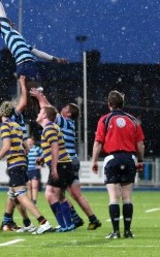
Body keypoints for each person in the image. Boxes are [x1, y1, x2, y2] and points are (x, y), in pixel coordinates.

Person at [31, 88, 102, 230]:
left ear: (68, 113)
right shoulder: (68, 125)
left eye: (65, 108)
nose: (62, 109)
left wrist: (40, 97)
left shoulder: (64, 122)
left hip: (65, 161)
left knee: (54, 193)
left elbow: (49, 111)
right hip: (71, 160)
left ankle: (69, 223)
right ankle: (91, 219)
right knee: (75, 194)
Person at [0, 0, 67, 87]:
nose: (9, 21)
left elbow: (38, 53)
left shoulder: (19, 39)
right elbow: (0, 9)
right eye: (7, 21)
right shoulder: (6, 31)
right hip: (24, 64)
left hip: (29, 64)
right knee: (34, 90)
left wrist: (55, 59)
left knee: (33, 91)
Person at [0, 101, 53, 235]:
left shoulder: (4, 126)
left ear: (1, 112)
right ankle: (21, 223)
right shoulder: (16, 125)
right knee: (12, 194)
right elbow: (26, 145)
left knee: (20, 195)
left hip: (15, 163)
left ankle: (43, 222)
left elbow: (6, 147)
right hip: (22, 162)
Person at [91, 90, 145, 239]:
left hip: (112, 159)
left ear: (109, 104)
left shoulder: (105, 119)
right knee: (127, 197)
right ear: (122, 104)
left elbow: (98, 142)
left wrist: (94, 161)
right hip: (129, 159)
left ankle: (115, 232)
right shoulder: (133, 120)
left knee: (114, 198)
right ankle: (127, 231)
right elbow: (140, 144)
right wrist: (140, 160)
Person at [36, 105, 76, 232]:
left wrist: (53, 168)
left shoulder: (48, 129)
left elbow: (55, 147)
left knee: (50, 194)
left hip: (60, 164)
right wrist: (44, 158)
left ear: (44, 116)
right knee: (59, 196)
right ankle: (68, 225)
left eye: (40, 112)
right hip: (64, 163)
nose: (38, 114)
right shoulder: (52, 128)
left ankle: (64, 225)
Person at [26, 137, 43, 206]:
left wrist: (40, 164)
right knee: (29, 187)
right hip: (27, 170)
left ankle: (34, 201)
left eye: (30, 141)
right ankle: (30, 202)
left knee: (34, 186)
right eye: (28, 141)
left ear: (33, 142)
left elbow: (44, 156)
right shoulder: (25, 150)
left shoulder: (37, 149)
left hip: (34, 170)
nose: (29, 142)